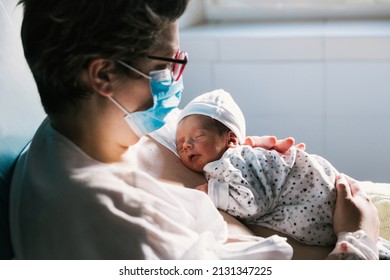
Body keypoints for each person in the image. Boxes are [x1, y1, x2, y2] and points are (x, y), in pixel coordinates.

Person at [8, 0, 380, 260]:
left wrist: (243, 152)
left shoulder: (95, 127)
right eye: (168, 64)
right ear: (103, 75)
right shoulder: (119, 225)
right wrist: (359, 239)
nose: (175, 80)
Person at [175, 89, 389, 259]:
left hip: (326, 206)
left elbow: (252, 202)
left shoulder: (235, 159)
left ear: (231, 140)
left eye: (197, 136)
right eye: (179, 143)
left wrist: (214, 193)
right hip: (341, 230)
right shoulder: (220, 166)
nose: (186, 146)